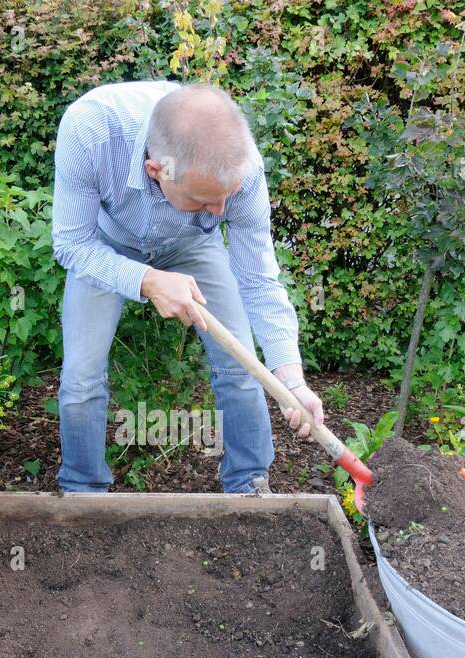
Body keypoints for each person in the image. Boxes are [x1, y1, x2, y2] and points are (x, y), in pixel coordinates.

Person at [50, 80, 324, 493]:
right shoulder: (91, 128)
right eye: (204, 200)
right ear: (157, 170)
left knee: (240, 361)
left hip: (191, 243)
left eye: (227, 197)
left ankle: (249, 484)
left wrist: (292, 379)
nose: (220, 211)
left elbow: (258, 280)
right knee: (81, 377)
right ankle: (82, 493)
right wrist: (146, 280)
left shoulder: (240, 167)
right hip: (104, 247)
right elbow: (72, 244)